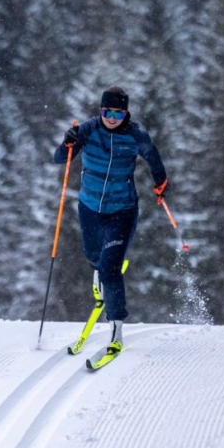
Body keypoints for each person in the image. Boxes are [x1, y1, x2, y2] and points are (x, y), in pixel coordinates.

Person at [53, 86, 168, 354]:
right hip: (90, 207)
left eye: (118, 113)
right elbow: (59, 158)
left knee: (111, 269)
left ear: (126, 113)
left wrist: (161, 183)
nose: (112, 118)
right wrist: (68, 142)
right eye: (107, 112)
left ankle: (116, 328)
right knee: (94, 256)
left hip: (122, 210)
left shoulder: (135, 135)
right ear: (100, 111)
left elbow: (153, 158)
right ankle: (99, 271)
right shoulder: (88, 130)